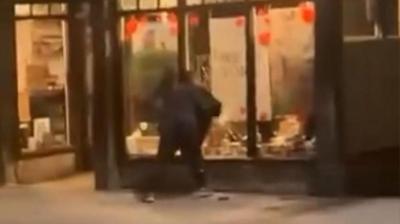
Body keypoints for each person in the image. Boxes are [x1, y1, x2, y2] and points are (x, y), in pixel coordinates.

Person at [143, 70, 219, 203]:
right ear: (191, 79)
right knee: (194, 156)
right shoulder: (194, 90)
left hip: (170, 128)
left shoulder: (170, 92)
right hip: (187, 126)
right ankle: (201, 186)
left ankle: (151, 191)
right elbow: (214, 107)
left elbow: (156, 106)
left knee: (162, 159)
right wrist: (202, 128)